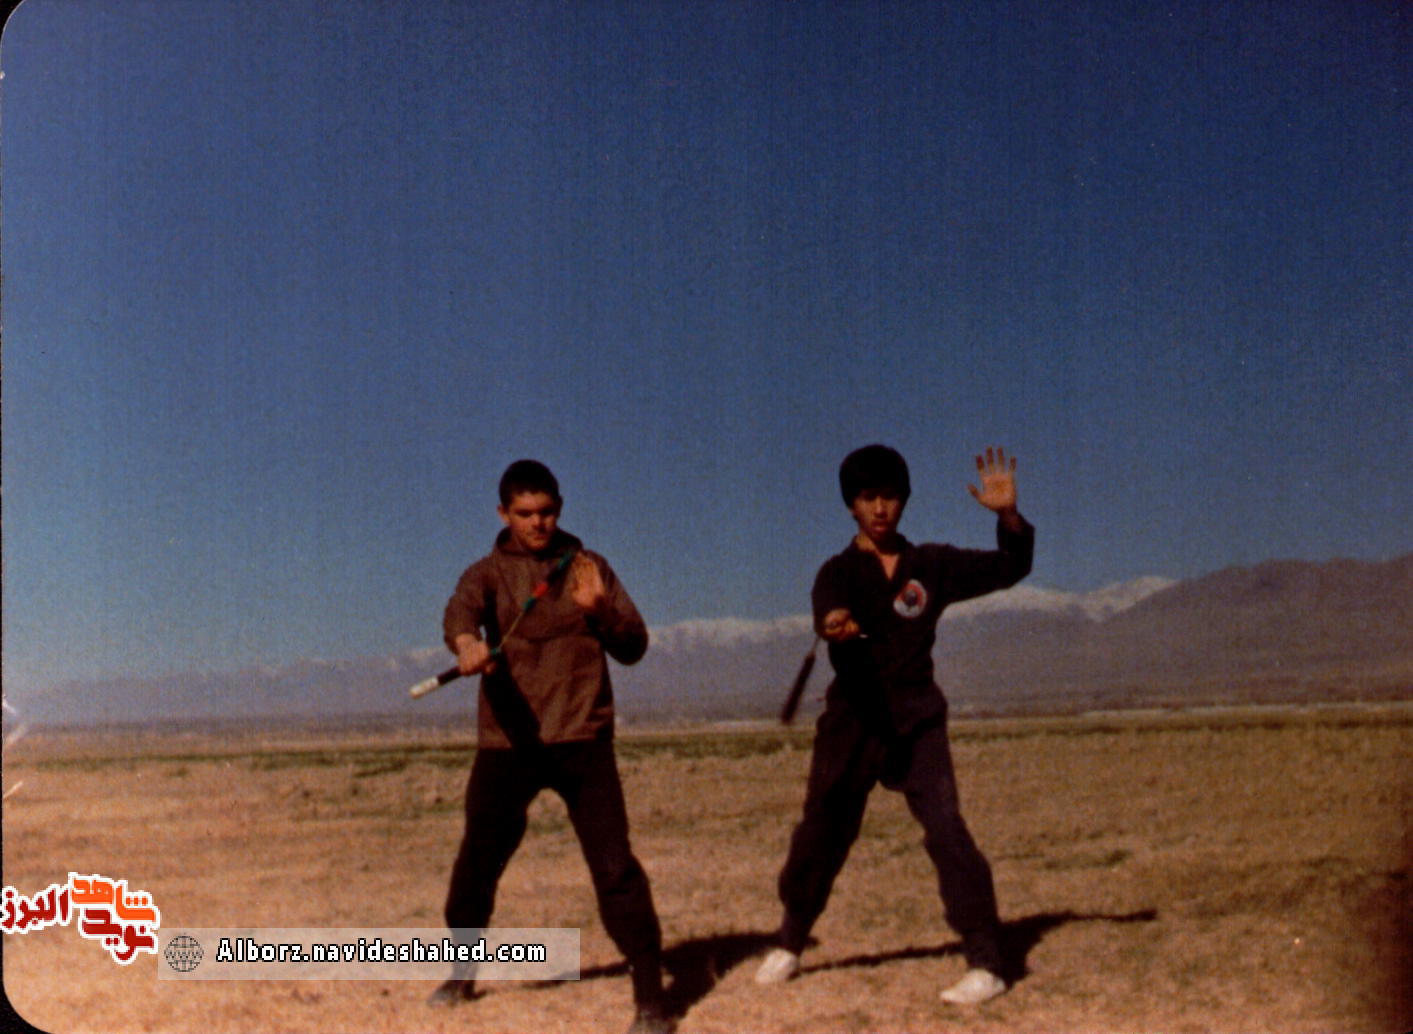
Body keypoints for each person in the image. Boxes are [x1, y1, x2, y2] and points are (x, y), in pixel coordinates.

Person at [754, 444, 1034, 1007]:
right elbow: (828, 609)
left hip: (916, 720)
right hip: (853, 722)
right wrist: (835, 622)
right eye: (867, 498)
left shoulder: (931, 566)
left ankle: (986, 961)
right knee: (822, 832)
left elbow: (1011, 567)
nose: (880, 508)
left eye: (890, 497)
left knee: (947, 830)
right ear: (851, 506)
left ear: (904, 500)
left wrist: (1008, 517)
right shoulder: (836, 572)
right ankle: (790, 939)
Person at [429, 459, 673, 1034]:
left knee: (615, 869)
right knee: (477, 864)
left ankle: (650, 1000)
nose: (537, 523)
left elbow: (634, 646)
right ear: (503, 514)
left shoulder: (591, 568)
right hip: (508, 745)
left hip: (582, 740)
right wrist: (466, 644)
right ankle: (460, 973)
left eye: (546, 512)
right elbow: (460, 613)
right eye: (524, 513)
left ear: (559, 509)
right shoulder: (486, 573)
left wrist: (601, 612)